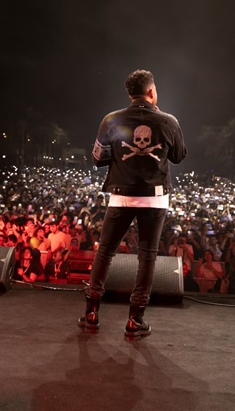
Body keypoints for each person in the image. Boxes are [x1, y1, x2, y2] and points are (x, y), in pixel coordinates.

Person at [78, 69, 187, 337]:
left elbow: (98, 158)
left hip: (121, 194)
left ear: (130, 94)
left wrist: (121, 150)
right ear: (151, 91)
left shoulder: (111, 120)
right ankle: (135, 319)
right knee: (147, 255)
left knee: (105, 251)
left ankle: (91, 312)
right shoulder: (169, 121)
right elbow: (179, 155)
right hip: (155, 197)